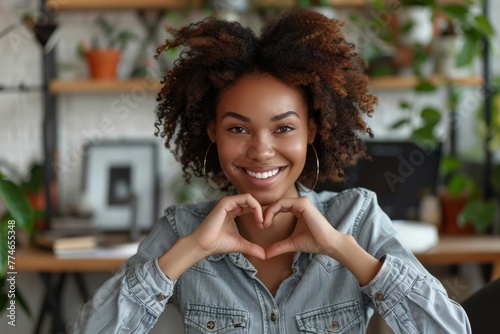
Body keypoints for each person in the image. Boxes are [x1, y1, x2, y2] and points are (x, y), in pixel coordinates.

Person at [75, 8, 470, 333]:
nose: (261, 150)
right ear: (213, 132)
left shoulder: (358, 219)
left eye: (283, 128)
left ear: (312, 130)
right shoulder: (182, 231)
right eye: (238, 129)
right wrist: (191, 251)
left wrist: (342, 249)